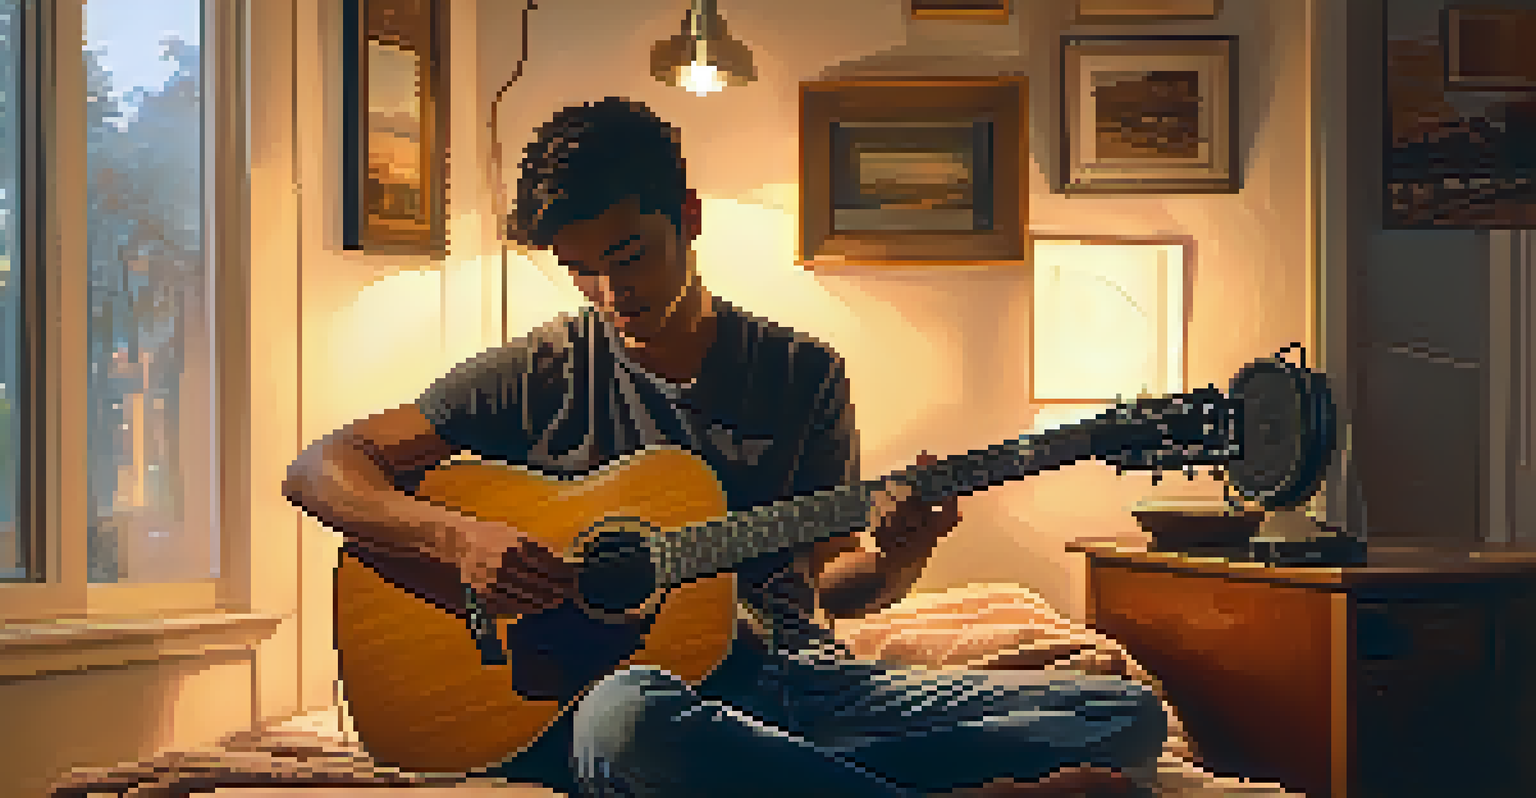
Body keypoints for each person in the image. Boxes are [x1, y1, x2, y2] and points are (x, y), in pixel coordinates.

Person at [283, 97, 1166, 798]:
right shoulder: (536, 372)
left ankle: (767, 778)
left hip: (793, 683)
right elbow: (319, 468)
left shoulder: (799, 374)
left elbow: (839, 586)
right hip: (626, 697)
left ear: (689, 216)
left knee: (1121, 716)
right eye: (580, 267)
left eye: (628, 254)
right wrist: (458, 538)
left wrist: (900, 554)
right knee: (628, 722)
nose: (608, 291)